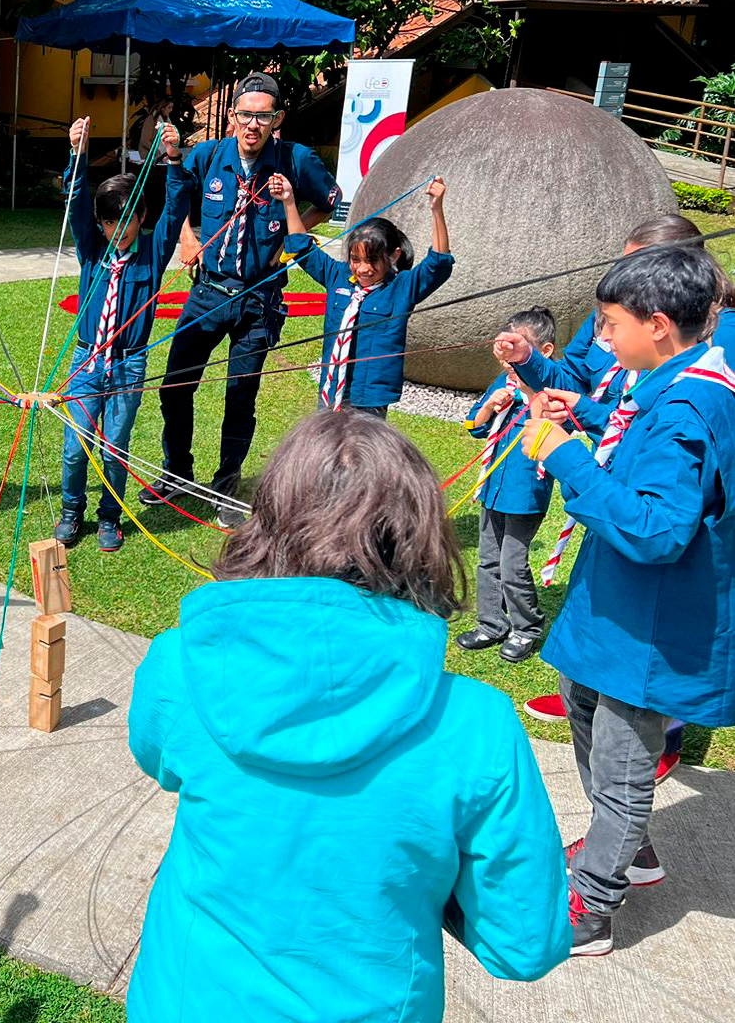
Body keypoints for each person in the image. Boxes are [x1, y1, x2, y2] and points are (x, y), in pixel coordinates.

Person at [127, 409, 570, 1021]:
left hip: (184, 999)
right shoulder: (476, 726)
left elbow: (160, 758)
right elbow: (523, 943)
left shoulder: (179, 665)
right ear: (420, 536)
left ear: (270, 519)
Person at [518, 246, 735, 957]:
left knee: (621, 757)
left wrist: (565, 455)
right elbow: (635, 428)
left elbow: (656, 529)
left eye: (612, 325)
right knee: (579, 697)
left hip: (652, 618)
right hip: (619, 604)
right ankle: (630, 846)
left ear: (661, 324)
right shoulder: (678, 376)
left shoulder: (687, 409)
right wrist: (586, 409)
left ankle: (593, 908)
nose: (603, 339)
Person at [496, 213, 735, 778]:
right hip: (617, 491)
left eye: (632, 264)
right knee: (599, 672)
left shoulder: (710, 352)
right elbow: (579, 373)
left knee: (645, 684)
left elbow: (681, 459)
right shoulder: (622, 313)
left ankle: (655, 731)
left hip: (661, 520)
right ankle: (608, 710)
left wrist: (573, 454)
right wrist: (534, 366)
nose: (605, 326)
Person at [137, 71, 341, 526]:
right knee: (174, 386)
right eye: (245, 115)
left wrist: (294, 235)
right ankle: (176, 471)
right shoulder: (208, 155)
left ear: (278, 119)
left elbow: (330, 200)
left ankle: (226, 485)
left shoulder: (294, 158)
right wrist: (187, 237)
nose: (253, 125)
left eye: (263, 117)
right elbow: (176, 201)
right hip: (206, 293)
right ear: (232, 117)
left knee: (240, 395)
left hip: (259, 302)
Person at [54, 115, 190, 552]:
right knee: (76, 447)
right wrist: (77, 154)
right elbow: (75, 203)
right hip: (87, 360)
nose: (120, 229)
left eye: (128, 218)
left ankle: (109, 517)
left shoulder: (152, 253)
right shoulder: (91, 250)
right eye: (111, 221)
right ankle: (72, 510)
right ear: (100, 224)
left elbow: (176, 209)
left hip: (129, 365)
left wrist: (173, 159)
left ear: (141, 216)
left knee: (114, 448)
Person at [278, 175, 452, 415]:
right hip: (330, 389)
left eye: (372, 261)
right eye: (355, 260)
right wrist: (289, 200)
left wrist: (436, 209)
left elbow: (438, 264)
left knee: (362, 452)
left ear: (394, 256)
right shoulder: (337, 275)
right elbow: (301, 247)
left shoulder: (402, 286)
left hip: (369, 398)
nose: (362, 269)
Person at [454, 307, 558, 663]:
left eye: (518, 350)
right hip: (493, 486)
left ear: (543, 352)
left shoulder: (550, 389)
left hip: (526, 493)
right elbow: (475, 425)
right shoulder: (503, 384)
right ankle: (491, 623)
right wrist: (489, 408)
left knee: (513, 564)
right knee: (488, 559)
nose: (509, 360)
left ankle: (527, 627)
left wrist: (529, 400)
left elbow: (552, 430)